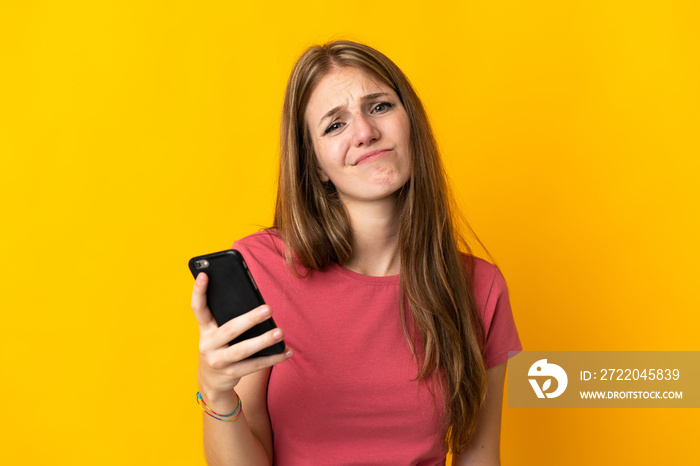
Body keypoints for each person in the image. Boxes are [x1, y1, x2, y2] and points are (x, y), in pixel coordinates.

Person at [191, 40, 522, 465]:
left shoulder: (480, 288)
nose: (365, 132)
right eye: (334, 125)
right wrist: (216, 391)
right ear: (316, 169)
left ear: (411, 124)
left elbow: (479, 456)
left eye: (380, 107)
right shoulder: (261, 269)